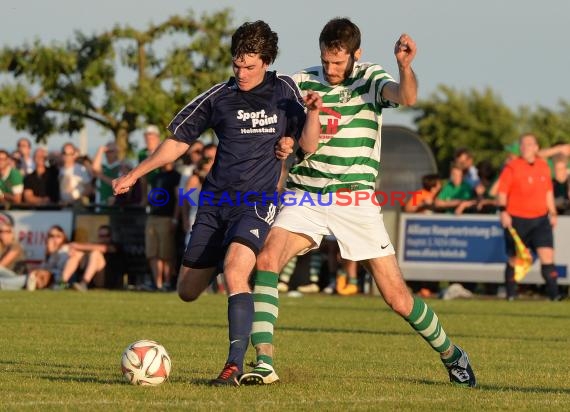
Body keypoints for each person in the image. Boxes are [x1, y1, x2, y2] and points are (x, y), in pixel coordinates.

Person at [240, 18, 476, 388]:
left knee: (398, 298)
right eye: (326, 61)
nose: (331, 70)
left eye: (338, 62)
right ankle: (264, 362)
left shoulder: (370, 78)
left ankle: (451, 354)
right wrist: (285, 143)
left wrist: (405, 66)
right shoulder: (302, 82)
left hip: (355, 200)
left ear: (356, 55)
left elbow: (407, 97)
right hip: (306, 195)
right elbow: (286, 134)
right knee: (267, 259)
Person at [112, 20, 321, 386]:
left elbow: (307, 143)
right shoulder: (218, 97)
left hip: (257, 200)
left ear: (267, 62)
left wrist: (293, 139)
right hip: (213, 204)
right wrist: (135, 174)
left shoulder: (285, 90)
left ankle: (234, 365)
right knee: (187, 291)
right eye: (237, 65)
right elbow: (178, 141)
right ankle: (233, 263)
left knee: (236, 270)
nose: (241, 72)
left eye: (250, 66)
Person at [497, 133, 562, 301]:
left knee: (547, 255)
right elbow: (502, 192)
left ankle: (555, 295)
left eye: (529, 144)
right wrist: (503, 211)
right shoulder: (512, 166)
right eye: (523, 144)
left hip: (540, 219)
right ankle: (511, 295)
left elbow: (548, 191)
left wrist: (553, 212)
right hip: (517, 218)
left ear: (536, 148)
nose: (525, 147)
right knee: (515, 258)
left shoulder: (544, 166)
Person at [61, 224, 123, 291]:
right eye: (101, 236)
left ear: (111, 236)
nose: (104, 238)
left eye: (106, 235)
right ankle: (61, 283)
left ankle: (84, 283)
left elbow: (104, 248)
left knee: (95, 253)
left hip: (107, 280)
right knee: (77, 255)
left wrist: (76, 246)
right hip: (93, 279)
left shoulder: (115, 246)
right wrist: (72, 250)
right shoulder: (94, 245)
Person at [0, 212, 32, 290]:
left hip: (17, 277)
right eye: (1, 231)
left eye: (7, 232)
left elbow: (2, 265)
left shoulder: (16, 247)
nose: (3, 234)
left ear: (12, 234)